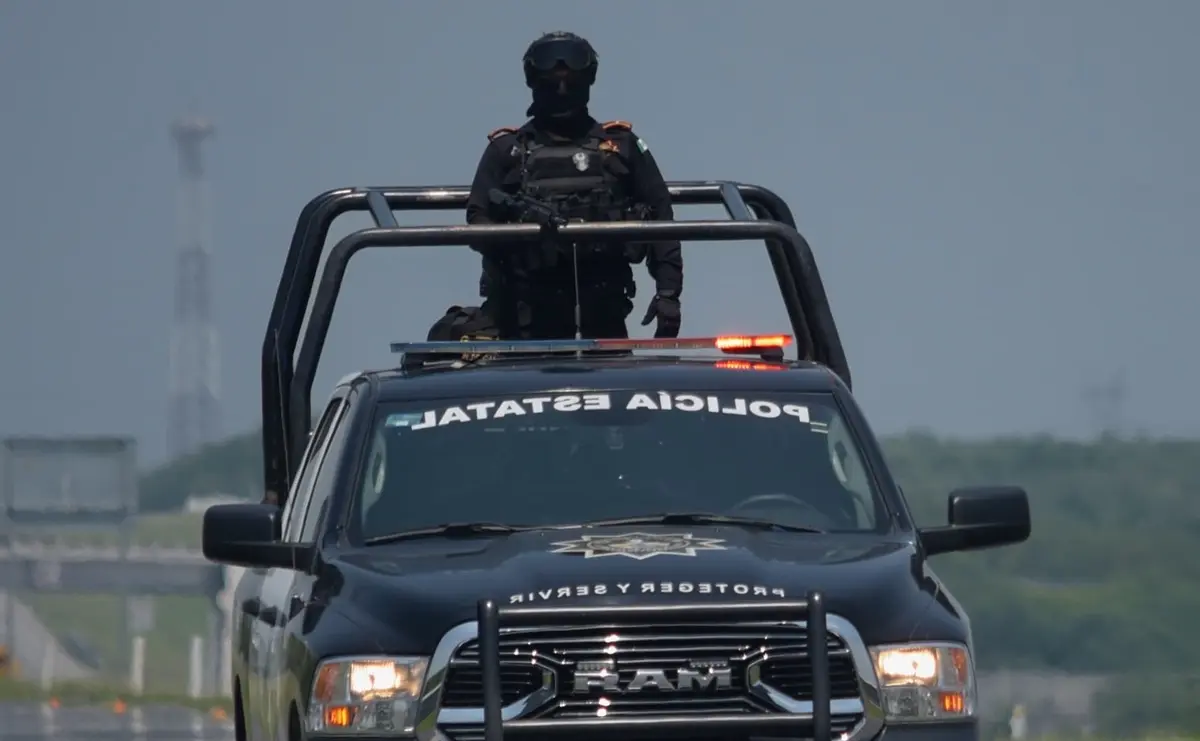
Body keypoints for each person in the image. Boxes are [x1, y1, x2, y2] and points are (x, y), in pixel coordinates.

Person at [464, 31, 683, 341]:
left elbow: (661, 218)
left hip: (605, 309)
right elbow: (478, 220)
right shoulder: (507, 151)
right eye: (552, 81)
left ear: (588, 79)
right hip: (526, 314)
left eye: (571, 80)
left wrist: (668, 293)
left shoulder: (621, 146)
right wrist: (519, 236)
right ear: (534, 81)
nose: (562, 88)